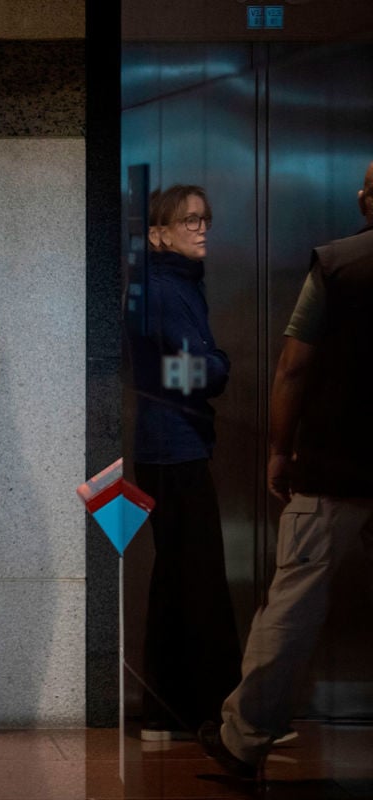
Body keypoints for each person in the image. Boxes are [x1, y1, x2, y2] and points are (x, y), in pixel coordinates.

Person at [200, 163, 373, 780]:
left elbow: (293, 367)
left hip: (334, 462)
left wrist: (280, 448)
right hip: (335, 462)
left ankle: (245, 739)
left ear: (364, 199)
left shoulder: (338, 265)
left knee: (293, 603)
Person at [128, 185, 241, 740]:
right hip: (174, 449)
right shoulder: (167, 289)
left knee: (176, 579)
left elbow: (184, 370)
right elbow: (199, 373)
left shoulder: (175, 286)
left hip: (169, 447)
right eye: (189, 220)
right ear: (158, 234)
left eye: (205, 219)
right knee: (200, 581)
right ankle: (217, 714)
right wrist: (215, 363)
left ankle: (165, 711)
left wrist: (200, 364)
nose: (201, 228)